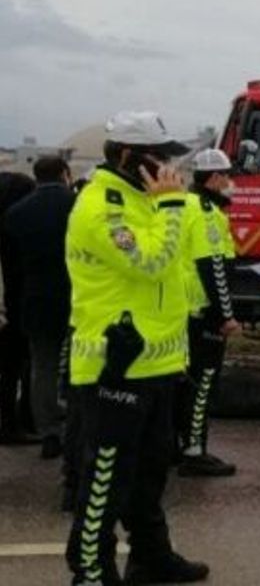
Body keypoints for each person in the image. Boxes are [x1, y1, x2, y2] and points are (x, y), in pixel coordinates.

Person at [64, 111, 209, 585]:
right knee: (105, 479)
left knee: (149, 474)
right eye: (160, 157)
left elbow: (175, 275)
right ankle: (90, 570)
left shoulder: (143, 200)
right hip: (115, 365)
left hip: (158, 362)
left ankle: (150, 556)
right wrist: (171, 207)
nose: (170, 167)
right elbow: (148, 263)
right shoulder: (101, 207)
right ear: (127, 156)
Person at [4, 156, 75, 460]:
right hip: (76, 297)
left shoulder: (17, 213)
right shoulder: (78, 205)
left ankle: (48, 433)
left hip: (35, 298)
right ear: (64, 174)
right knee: (76, 366)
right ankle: (77, 428)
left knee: (41, 367)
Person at [175, 149, 241, 478]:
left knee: (183, 382)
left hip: (181, 309)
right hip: (203, 312)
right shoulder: (207, 213)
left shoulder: (183, 205)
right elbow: (212, 267)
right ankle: (194, 450)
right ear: (214, 178)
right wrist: (226, 315)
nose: (230, 183)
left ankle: (178, 445)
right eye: (227, 176)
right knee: (202, 384)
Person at [0, 171, 37, 445]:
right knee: (12, 368)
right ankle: (9, 423)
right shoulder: (16, 228)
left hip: (10, 308)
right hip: (11, 311)